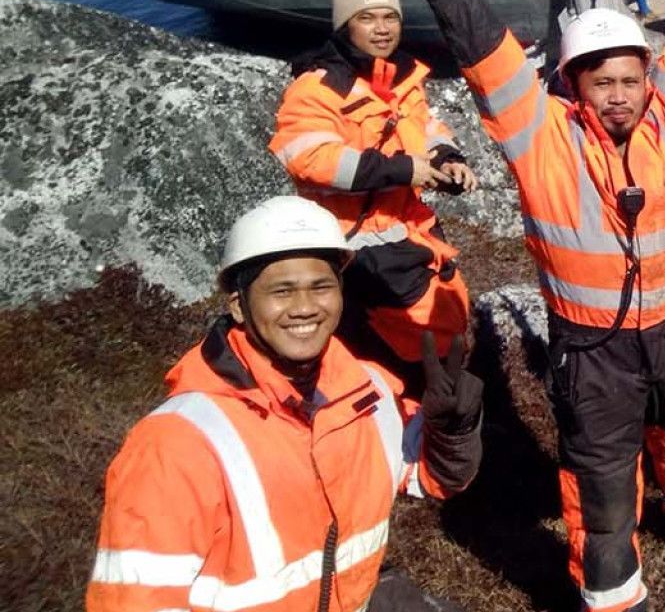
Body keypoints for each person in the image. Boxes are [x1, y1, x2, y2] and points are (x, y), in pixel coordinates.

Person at [381, 0, 665, 612]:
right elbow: (486, 51)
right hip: (592, 352)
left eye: (630, 79)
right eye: (602, 81)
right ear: (573, 83)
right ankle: (613, 593)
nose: (619, 94)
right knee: (602, 473)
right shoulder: (541, 138)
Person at [87, 195, 483, 612]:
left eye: (321, 286)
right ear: (239, 305)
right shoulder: (178, 443)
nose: (305, 308)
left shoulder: (368, 392)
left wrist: (453, 431)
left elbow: (432, 477)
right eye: (282, 291)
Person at [269, 0, 477, 394]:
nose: (382, 28)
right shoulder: (318, 90)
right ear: (345, 25)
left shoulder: (400, 79)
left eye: (390, 17)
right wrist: (401, 170)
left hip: (410, 230)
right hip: (360, 245)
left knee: (443, 319)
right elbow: (308, 157)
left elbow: (425, 127)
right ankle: (423, 411)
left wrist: (447, 158)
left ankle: (441, 403)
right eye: (368, 18)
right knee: (413, 342)